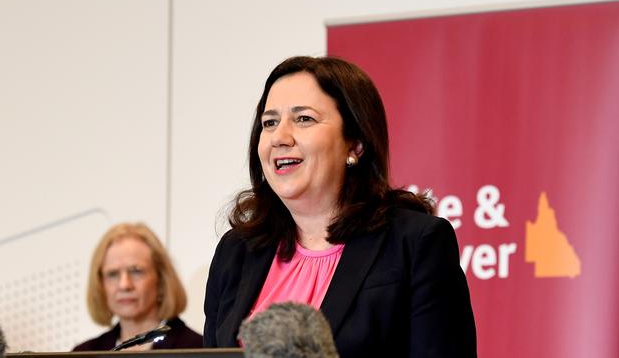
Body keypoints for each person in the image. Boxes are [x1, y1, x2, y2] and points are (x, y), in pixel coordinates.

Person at [203, 56, 477, 357]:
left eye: (303, 118)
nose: (279, 137)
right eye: (269, 123)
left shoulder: (415, 244)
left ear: (355, 144)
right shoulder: (237, 251)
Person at [73, 222, 202, 351]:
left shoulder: (196, 349)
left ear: (161, 278)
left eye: (136, 271)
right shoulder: (84, 353)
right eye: (113, 274)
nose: (124, 285)